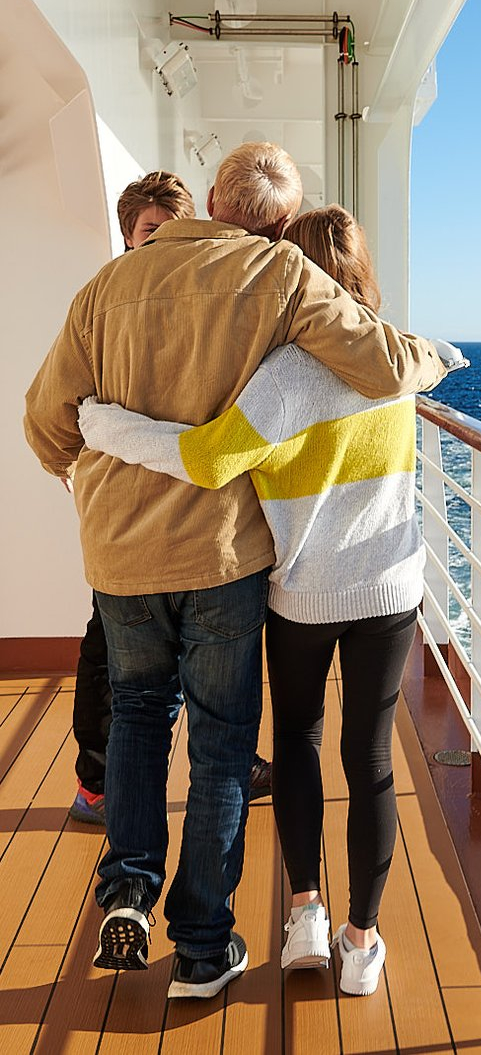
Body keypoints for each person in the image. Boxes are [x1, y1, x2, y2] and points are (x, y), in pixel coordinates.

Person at [24, 144, 446, 1001]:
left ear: (211, 195)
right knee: (222, 743)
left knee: (139, 717)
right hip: (225, 555)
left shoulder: (109, 284)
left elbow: (46, 421)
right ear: (282, 223)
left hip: (121, 550)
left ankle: (129, 889)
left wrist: (86, 453)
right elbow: (382, 363)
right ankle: (205, 947)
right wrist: (438, 356)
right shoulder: (280, 279)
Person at [68, 171, 271, 827]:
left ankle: (216, 774)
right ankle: (96, 781)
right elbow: (59, 408)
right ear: (128, 239)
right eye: (152, 233)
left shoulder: (210, 305)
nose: (165, 246)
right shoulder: (104, 306)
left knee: (176, 676)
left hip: (197, 524)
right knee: (119, 667)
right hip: (130, 523)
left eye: (175, 233)